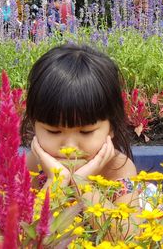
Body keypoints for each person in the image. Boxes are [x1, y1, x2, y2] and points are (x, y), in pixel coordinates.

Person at [23, 44, 139, 235]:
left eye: (86, 132)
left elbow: (128, 236)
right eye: (53, 131)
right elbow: (25, 236)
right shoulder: (34, 166)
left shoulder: (118, 168)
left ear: (112, 127)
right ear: (34, 125)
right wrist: (56, 181)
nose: (69, 147)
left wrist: (81, 184)